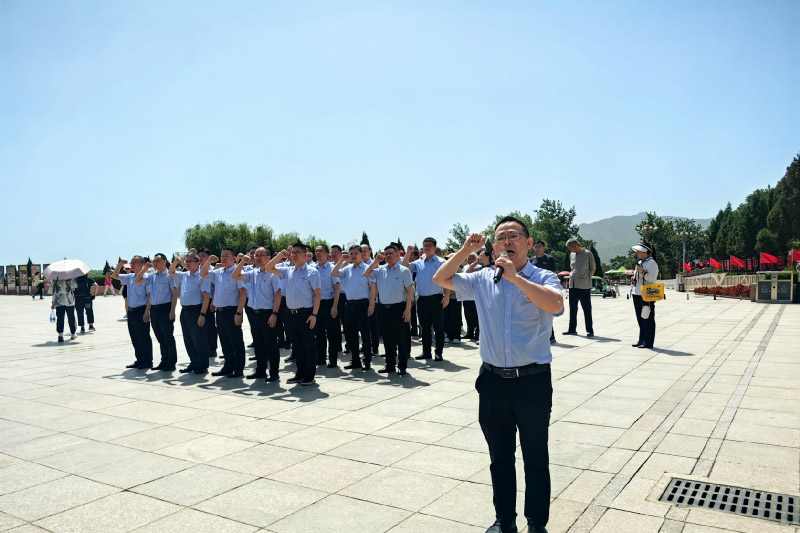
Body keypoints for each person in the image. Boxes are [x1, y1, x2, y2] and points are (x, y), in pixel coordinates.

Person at [433, 216, 564, 533]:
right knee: (500, 457)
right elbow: (441, 278)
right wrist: (465, 250)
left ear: (528, 243)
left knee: (535, 457)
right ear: (494, 246)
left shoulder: (543, 277)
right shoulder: (481, 279)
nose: (507, 241)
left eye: (514, 235)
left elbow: (556, 306)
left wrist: (515, 278)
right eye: (501, 237)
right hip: (492, 383)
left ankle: (536, 523)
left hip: (532, 381)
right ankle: (504, 520)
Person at [266, 242, 321, 385]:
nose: (294, 255)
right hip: (290, 314)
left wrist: (314, 314)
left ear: (305, 254)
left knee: (308, 345)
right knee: (297, 346)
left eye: (297, 252)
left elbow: (317, 294)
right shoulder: (288, 271)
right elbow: (268, 267)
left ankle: (309, 375)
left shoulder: (312, 272)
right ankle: (300, 373)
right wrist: (279, 255)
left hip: (306, 313)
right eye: (292, 252)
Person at [364, 244, 413, 375]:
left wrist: (408, 310)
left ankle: (402, 366)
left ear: (398, 255)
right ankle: (390, 365)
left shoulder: (404, 271)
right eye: (386, 254)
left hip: (399, 308)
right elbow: (366, 273)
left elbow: (409, 291)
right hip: (383, 309)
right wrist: (375, 261)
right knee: (387, 338)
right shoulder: (380, 270)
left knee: (401, 338)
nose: (387, 256)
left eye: (391, 253)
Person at [234, 248, 282, 382]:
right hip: (255, 314)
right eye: (256, 255)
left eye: (262, 255)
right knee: (259, 345)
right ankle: (260, 371)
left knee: (271, 345)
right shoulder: (253, 273)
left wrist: (274, 313)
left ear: (269, 257)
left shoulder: (273, 274)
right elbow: (235, 275)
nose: (258, 257)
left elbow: (278, 295)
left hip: (268, 314)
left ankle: (274, 372)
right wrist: (242, 262)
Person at [201, 248, 247, 378]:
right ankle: (228, 366)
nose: (223, 258)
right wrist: (209, 260)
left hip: (231, 311)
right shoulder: (218, 272)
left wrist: (239, 313)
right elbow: (203, 273)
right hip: (219, 312)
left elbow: (243, 293)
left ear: (234, 258)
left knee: (236, 341)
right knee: (225, 341)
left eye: (227, 256)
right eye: (222, 256)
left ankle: (238, 368)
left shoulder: (237, 273)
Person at [402, 237, 450, 362]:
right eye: (424, 245)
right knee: (425, 327)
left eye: (429, 245)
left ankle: (438, 352)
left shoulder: (441, 262)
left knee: (438, 327)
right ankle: (426, 352)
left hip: (437, 298)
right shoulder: (419, 262)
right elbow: (404, 267)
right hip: (422, 299)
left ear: (434, 247)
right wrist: (408, 253)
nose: (426, 247)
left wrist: (447, 296)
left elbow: (447, 278)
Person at [332, 245, 376, 371]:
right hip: (349, 305)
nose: (353, 255)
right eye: (351, 253)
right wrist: (341, 260)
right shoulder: (347, 269)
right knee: (351, 335)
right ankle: (355, 360)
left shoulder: (368, 269)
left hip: (363, 305)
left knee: (365, 334)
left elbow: (372, 287)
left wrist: (372, 304)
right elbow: (334, 273)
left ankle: (367, 360)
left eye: (355, 253)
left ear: (361, 254)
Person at [170, 253, 212, 374]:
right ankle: (193, 362)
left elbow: (206, 296)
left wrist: (203, 314)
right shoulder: (184, 275)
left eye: (190, 261)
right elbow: (171, 271)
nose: (187, 263)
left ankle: (202, 365)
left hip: (196, 310)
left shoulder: (202, 275)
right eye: (186, 261)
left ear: (198, 263)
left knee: (199, 339)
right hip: (185, 310)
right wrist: (177, 262)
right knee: (188, 339)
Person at [136, 253, 179, 372]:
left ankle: (171, 362)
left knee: (168, 336)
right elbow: (137, 279)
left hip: (166, 308)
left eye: (158, 261)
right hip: (154, 309)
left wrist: (172, 311)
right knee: (160, 337)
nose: (155, 263)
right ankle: (164, 360)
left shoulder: (170, 275)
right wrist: (145, 268)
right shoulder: (152, 276)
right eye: (154, 261)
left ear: (165, 262)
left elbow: (174, 293)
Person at [113, 257, 153, 369]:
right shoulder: (129, 276)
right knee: (134, 336)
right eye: (132, 262)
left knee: (143, 337)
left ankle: (147, 361)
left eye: (135, 262)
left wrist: (147, 312)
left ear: (142, 264)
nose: (132, 264)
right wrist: (120, 264)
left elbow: (149, 295)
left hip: (141, 310)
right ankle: (139, 359)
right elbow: (114, 276)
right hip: (131, 311)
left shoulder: (146, 278)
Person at [314, 244, 341, 368]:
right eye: (316, 251)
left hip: (328, 303)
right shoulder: (312, 268)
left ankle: (333, 358)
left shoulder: (332, 268)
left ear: (327, 254)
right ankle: (320, 358)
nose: (318, 253)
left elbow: (337, 288)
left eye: (321, 251)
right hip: (316, 305)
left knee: (332, 333)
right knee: (318, 333)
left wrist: (335, 306)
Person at [563, 237, 595, 337]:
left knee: (587, 309)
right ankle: (572, 329)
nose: (570, 250)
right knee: (572, 308)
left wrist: (586, 278)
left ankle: (589, 330)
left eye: (570, 248)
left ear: (575, 246)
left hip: (584, 286)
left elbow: (593, 268)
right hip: (572, 285)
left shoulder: (588, 254)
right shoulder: (571, 255)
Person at [631, 241, 659, 349]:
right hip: (637, 292)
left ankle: (648, 342)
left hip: (647, 294)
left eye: (639, 251)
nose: (637, 252)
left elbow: (652, 279)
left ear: (645, 251)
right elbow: (638, 277)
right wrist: (634, 278)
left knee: (648, 317)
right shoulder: (640, 262)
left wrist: (642, 272)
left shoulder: (652, 263)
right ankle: (641, 340)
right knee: (640, 318)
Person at [531, 240, 558, 343]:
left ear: (543, 248)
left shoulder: (549, 259)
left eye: (539, 246)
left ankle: (551, 336)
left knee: (546, 313)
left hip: (545, 289)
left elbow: (553, 273)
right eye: (535, 247)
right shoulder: (531, 260)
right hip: (534, 289)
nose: (537, 249)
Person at [197, 248, 219, 358]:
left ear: (209, 257)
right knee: (200, 327)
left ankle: (212, 348)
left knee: (210, 326)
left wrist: (213, 301)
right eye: (199, 255)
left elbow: (215, 287)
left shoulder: (213, 270)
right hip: (198, 302)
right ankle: (203, 347)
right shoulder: (195, 269)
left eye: (203, 255)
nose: (200, 258)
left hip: (209, 300)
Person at [51, 278, 78, 342]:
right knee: (71, 317)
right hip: (69, 302)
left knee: (60, 318)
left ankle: (60, 335)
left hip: (59, 302)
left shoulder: (55, 279)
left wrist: (53, 303)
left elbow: (54, 292)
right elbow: (73, 289)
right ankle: (73, 333)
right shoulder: (71, 278)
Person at [462, 253, 481, 341]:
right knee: (468, 315)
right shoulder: (465, 267)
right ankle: (470, 333)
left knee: (477, 316)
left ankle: (478, 334)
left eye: (472, 259)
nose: (470, 261)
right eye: (468, 259)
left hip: (476, 295)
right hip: (466, 295)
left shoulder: (480, 267)